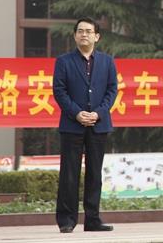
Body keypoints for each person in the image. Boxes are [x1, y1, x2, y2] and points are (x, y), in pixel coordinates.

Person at [53, 17, 118, 233]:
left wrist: (98, 113)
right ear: (74, 36)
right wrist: (76, 113)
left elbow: (112, 90)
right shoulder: (64, 61)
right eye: (80, 31)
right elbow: (59, 91)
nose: (84, 34)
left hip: (99, 125)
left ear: (97, 36)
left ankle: (93, 220)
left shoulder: (107, 61)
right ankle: (66, 220)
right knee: (69, 173)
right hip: (72, 125)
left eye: (88, 31)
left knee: (94, 174)